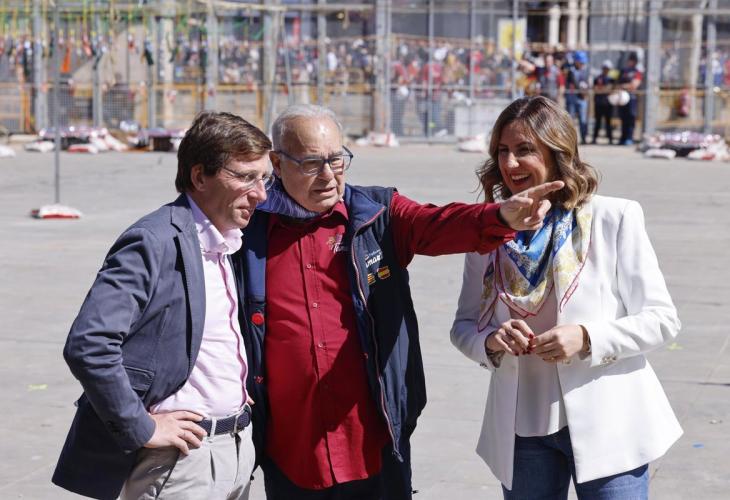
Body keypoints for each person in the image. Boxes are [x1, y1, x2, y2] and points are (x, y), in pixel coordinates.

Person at [233, 103, 563, 499]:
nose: (328, 175)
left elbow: (438, 223)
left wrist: (500, 217)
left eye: (336, 160)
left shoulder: (377, 214)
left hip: (374, 442)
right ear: (277, 163)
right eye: (310, 163)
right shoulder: (245, 234)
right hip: (292, 451)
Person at [451, 96, 682, 500]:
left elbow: (662, 320)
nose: (510, 163)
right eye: (502, 151)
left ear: (557, 152)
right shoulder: (487, 232)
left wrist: (588, 338)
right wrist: (491, 341)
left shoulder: (613, 218)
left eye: (525, 149)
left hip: (610, 426)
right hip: (522, 429)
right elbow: (463, 326)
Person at [52, 111, 273, 500]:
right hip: (183, 463)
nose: (261, 194)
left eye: (264, 178)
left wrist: (230, 383)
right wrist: (142, 427)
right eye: (245, 177)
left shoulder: (224, 241)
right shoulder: (153, 241)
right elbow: (89, 343)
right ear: (200, 176)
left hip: (235, 450)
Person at [617, 52, 643, 145]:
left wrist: (624, 86)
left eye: (633, 60)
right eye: (631, 60)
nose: (631, 62)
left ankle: (629, 138)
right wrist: (624, 86)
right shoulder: (623, 71)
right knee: (623, 119)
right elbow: (617, 84)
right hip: (622, 98)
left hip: (632, 98)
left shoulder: (637, 72)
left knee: (631, 118)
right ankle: (623, 138)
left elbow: (634, 85)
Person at [565, 51, 590, 144]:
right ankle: (570, 140)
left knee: (583, 120)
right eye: (580, 62)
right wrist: (581, 90)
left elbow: (586, 83)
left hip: (582, 99)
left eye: (583, 62)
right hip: (572, 98)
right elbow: (574, 83)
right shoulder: (571, 71)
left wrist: (585, 91)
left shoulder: (585, 71)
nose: (582, 64)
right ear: (576, 61)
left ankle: (584, 138)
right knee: (570, 120)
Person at [592, 60, 615, 144]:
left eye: (607, 68)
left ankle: (610, 139)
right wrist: (605, 89)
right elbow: (595, 89)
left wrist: (602, 89)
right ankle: (594, 139)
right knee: (597, 122)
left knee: (608, 122)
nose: (606, 70)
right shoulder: (597, 78)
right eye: (605, 68)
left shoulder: (611, 79)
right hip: (599, 103)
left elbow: (611, 89)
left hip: (608, 103)